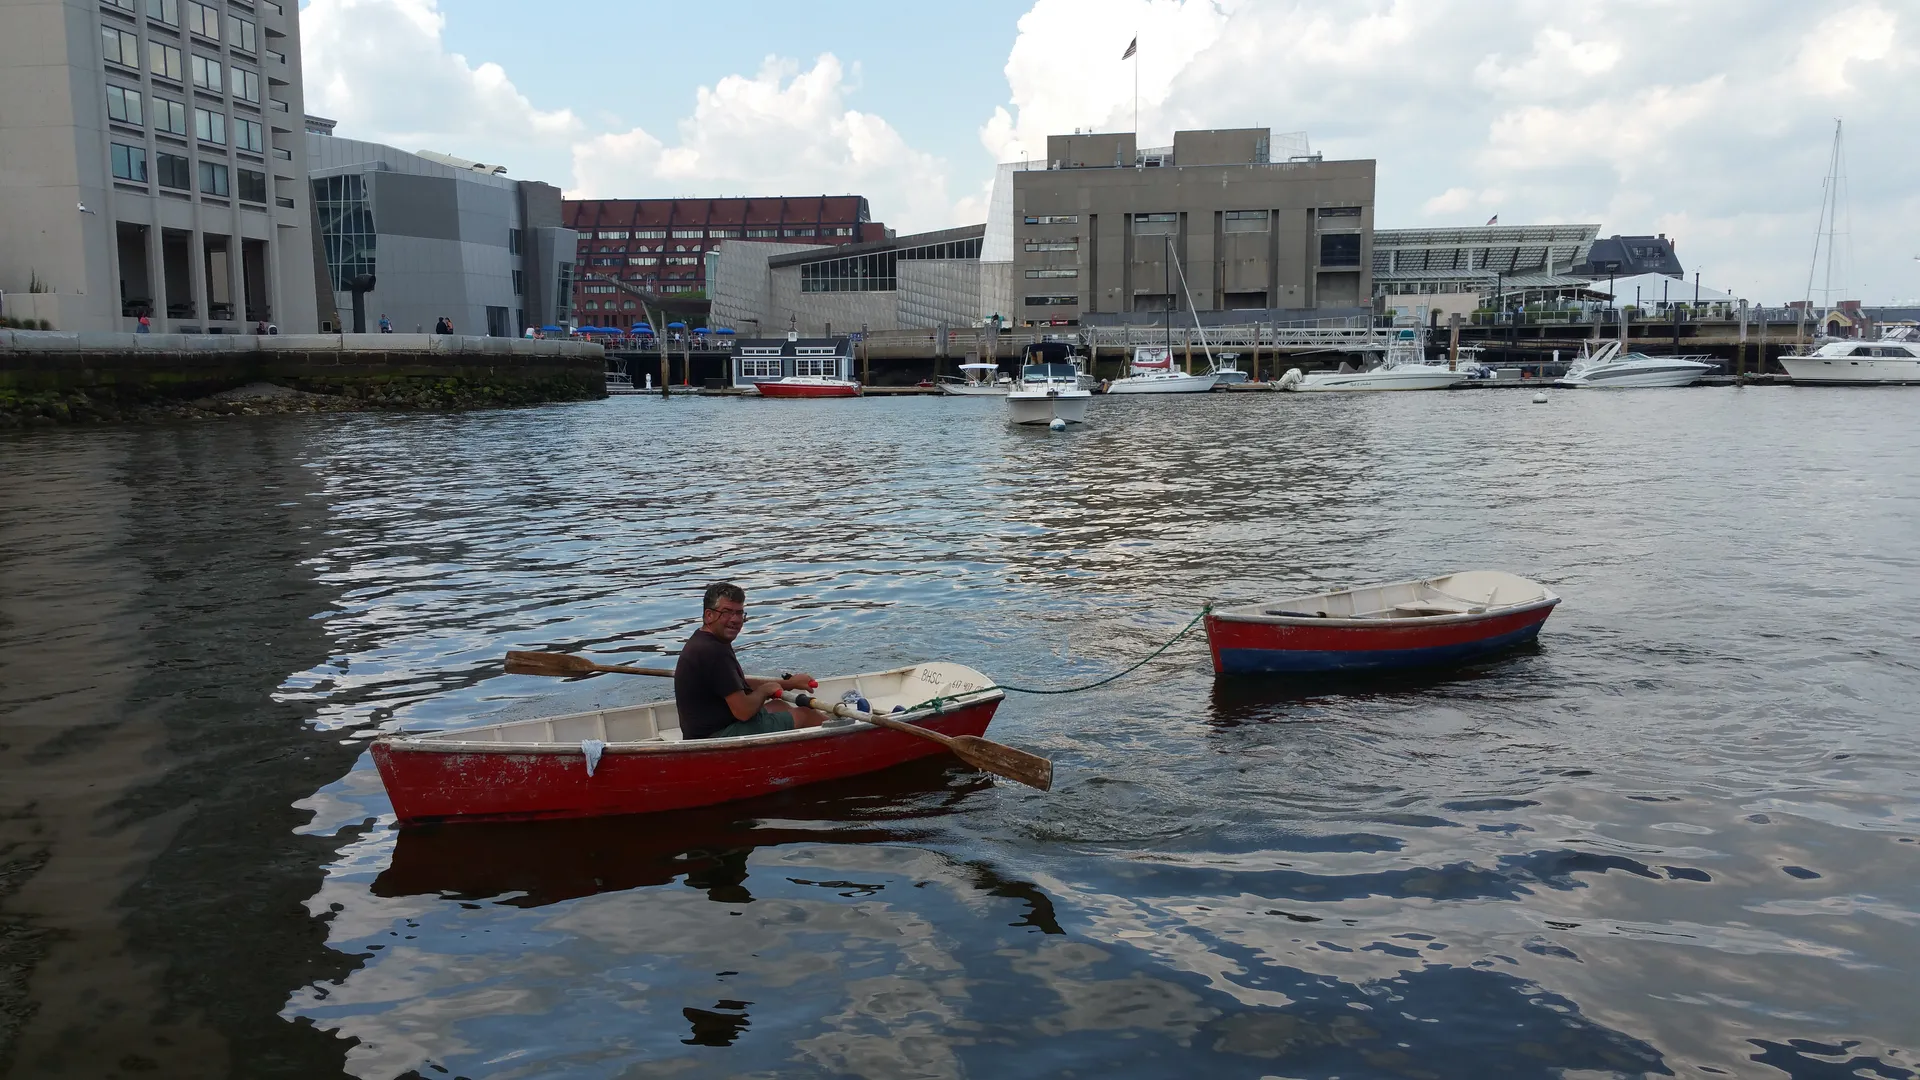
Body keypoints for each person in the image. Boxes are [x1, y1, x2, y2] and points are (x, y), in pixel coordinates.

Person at [674, 582, 825, 739]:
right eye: (727, 612)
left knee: (779, 705)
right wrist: (764, 691)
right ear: (709, 615)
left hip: (714, 727)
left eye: (739, 613)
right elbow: (744, 712)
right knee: (806, 714)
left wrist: (789, 683)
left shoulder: (706, 640)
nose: (735, 619)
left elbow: (737, 685)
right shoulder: (713, 651)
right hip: (715, 736)